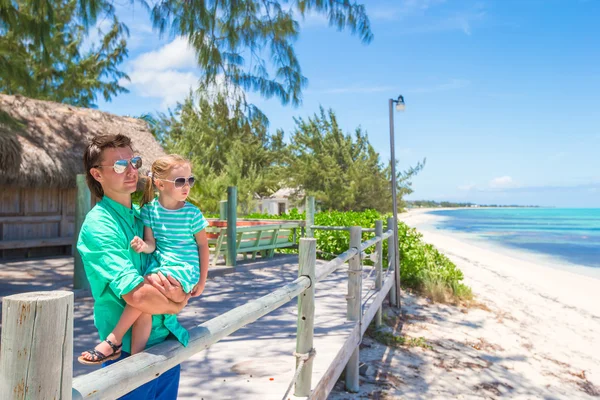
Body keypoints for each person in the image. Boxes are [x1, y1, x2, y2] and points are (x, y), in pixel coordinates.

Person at [76, 134, 192, 399]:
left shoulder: (145, 217)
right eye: (119, 165)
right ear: (97, 174)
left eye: (135, 161)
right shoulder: (99, 225)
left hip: (168, 341)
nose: (131, 170)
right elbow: (137, 294)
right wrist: (178, 303)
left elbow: (178, 264)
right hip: (127, 355)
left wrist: (180, 290)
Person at [79, 154, 209, 363]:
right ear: (159, 183)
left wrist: (201, 281)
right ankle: (137, 362)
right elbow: (151, 246)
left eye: (190, 180)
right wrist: (176, 304)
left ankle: (115, 340)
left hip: (180, 277)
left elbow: (203, 245)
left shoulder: (188, 213)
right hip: (163, 269)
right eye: (179, 181)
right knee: (144, 304)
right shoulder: (144, 213)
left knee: (149, 284)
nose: (186, 186)